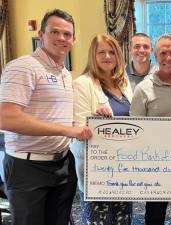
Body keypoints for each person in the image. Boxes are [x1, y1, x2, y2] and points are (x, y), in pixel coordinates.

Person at [0, 9, 92, 225]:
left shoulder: (65, 74)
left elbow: (60, 117)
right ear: (41, 35)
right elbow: (7, 118)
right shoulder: (22, 67)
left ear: (74, 39)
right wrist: (67, 131)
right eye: (55, 32)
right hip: (27, 167)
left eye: (67, 34)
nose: (62, 38)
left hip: (61, 165)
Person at [130, 34, 171, 225]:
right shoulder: (143, 89)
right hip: (156, 166)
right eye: (163, 53)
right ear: (156, 56)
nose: (168, 58)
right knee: (155, 216)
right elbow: (136, 131)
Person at [70, 34, 133, 224]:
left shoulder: (123, 82)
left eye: (112, 52)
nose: (107, 57)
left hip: (124, 166)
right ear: (93, 56)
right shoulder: (82, 84)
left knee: (124, 219)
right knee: (100, 220)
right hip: (97, 170)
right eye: (101, 52)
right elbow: (77, 128)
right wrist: (95, 121)